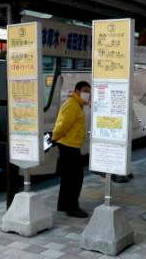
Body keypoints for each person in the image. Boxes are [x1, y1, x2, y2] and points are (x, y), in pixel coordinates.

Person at [52, 81, 90, 218]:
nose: (88, 94)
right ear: (77, 90)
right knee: (75, 178)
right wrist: (54, 137)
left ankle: (63, 205)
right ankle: (72, 207)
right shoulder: (72, 105)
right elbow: (62, 124)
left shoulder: (77, 104)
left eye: (89, 91)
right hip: (68, 145)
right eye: (85, 90)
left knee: (68, 177)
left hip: (72, 144)